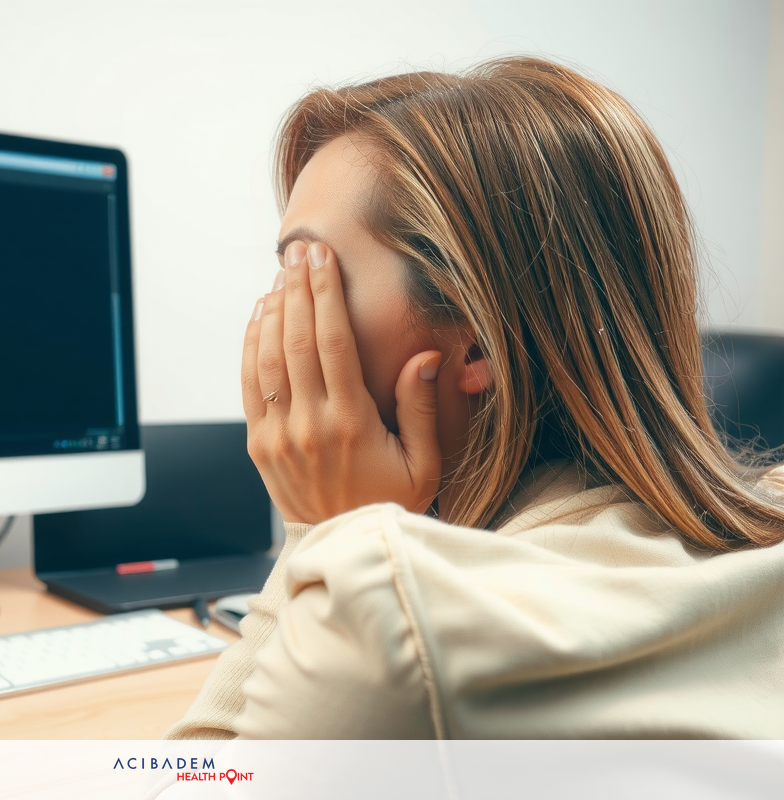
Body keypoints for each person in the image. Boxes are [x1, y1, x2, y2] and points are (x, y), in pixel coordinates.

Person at [164, 56, 784, 739]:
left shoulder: (397, 634)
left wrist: (325, 536)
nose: (278, 318)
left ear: (478, 344)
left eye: (305, 272)